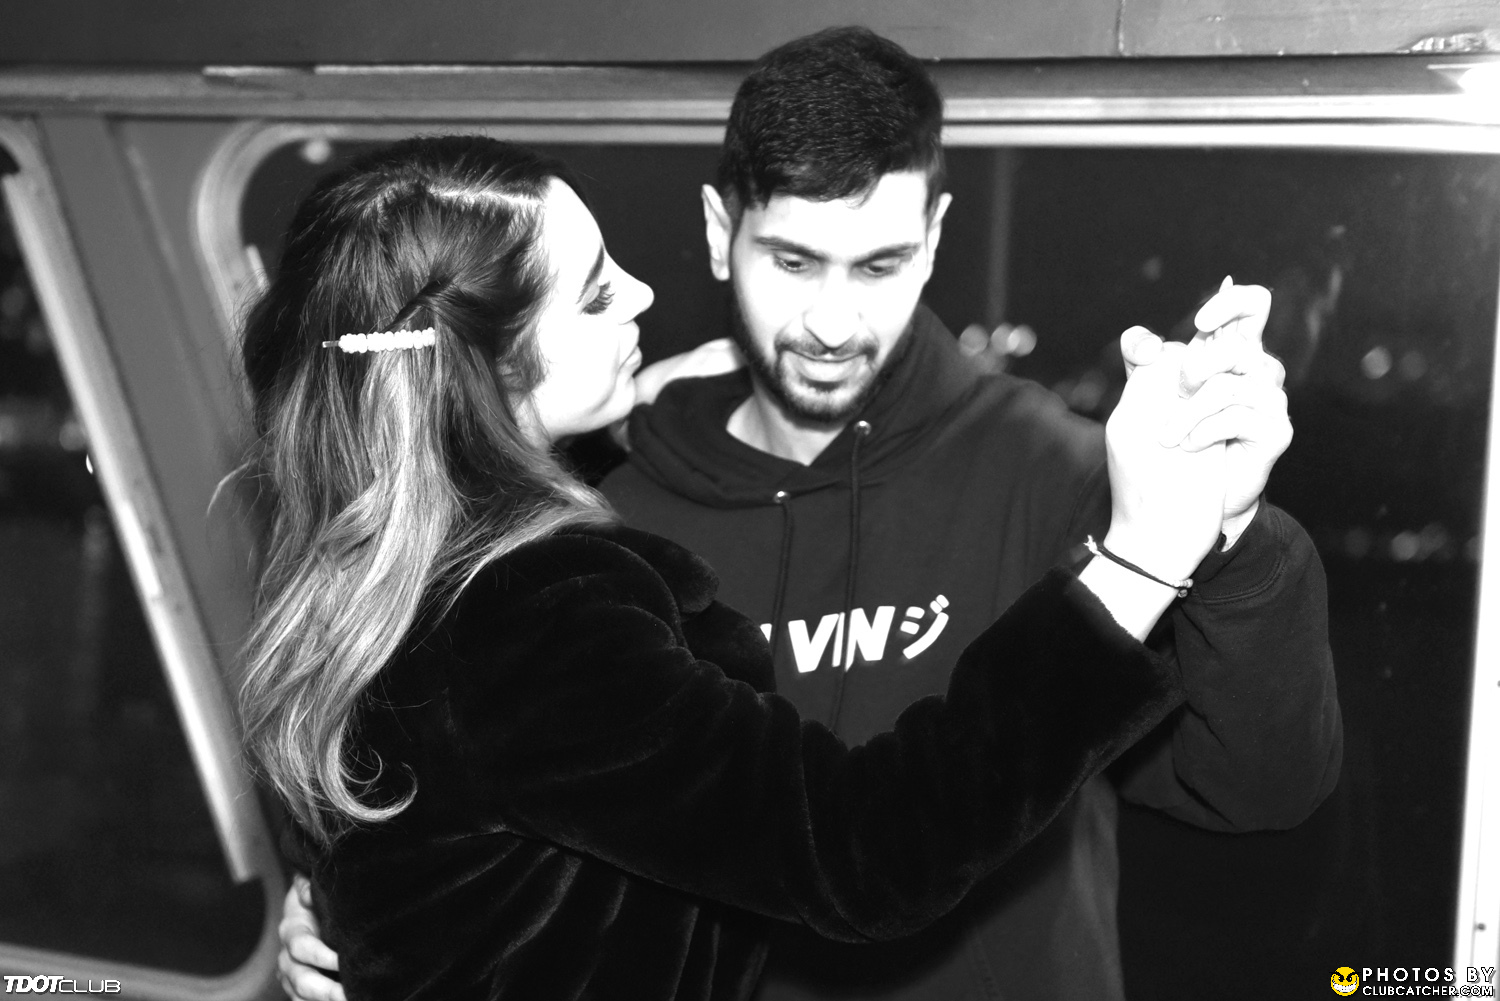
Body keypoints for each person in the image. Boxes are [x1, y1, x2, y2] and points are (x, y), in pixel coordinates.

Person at [276, 27, 1340, 1001]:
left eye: (878, 266)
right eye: (792, 262)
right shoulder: (596, 513)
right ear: (719, 232)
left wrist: (1226, 531)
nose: (832, 321)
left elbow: (1255, 788)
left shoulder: (1069, 471)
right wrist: (344, 906)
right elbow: (842, 849)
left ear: (934, 240)